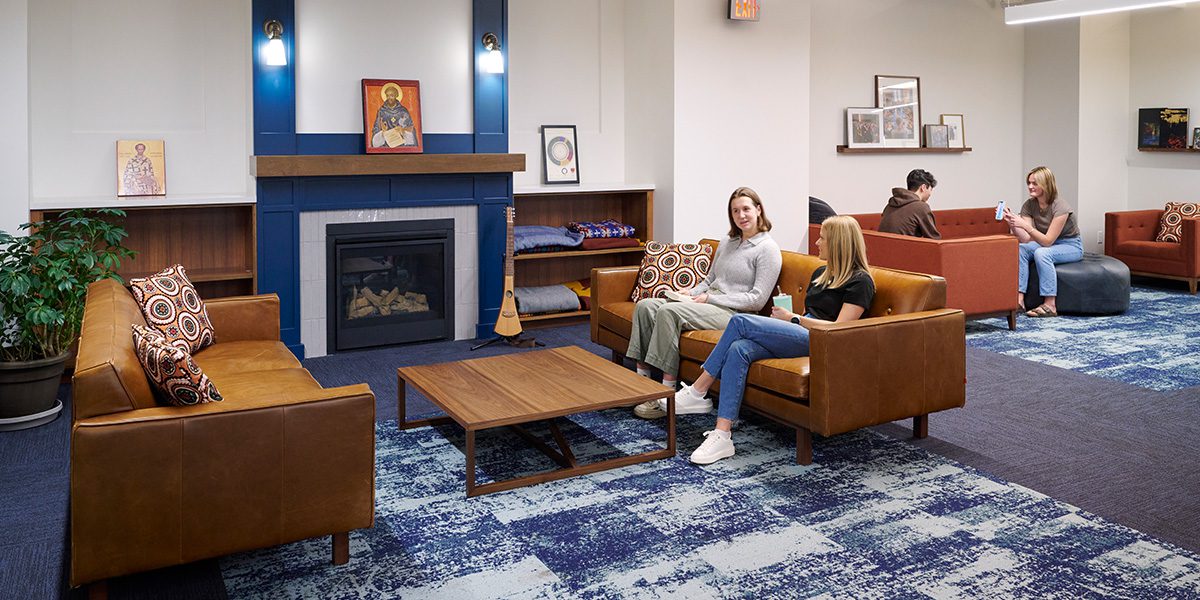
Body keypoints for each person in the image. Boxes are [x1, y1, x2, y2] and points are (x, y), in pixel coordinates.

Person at [666, 215, 875, 464]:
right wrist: (788, 316)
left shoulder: (861, 281)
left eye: (823, 238)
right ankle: (722, 435)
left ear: (839, 243)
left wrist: (795, 319)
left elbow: (841, 329)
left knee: (740, 321)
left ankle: (699, 390)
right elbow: (812, 312)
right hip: (802, 330)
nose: (817, 243)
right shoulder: (821, 273)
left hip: (823, 341)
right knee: (739, 348)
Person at [630, 187, 783, 419]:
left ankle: (665, 395)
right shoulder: (728, 242)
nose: (741, 215)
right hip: (707, 302)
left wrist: (711, 298)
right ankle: (642, 385)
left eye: (746, 209)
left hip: (732, 313)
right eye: (735, 211)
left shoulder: (767, 249)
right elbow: (710, 280)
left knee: (670, 312)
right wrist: (689, 292)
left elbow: (757, 299)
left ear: (759, 210)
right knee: (646, 306)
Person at [1002, 166, 1083, 318]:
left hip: (1070, 245)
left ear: (1046, 184)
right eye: (1029, 183)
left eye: (1035, 183)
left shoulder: (1061, 207)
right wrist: (1012, 223)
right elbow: (1027, 239)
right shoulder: (1029, 205)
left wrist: (1025, 225)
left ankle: (1050, 305)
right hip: (1045, 242)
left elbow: (1047, 241)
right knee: (1021, 249)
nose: (1030, 186)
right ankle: (1019, 300)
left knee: (1042, 253)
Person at [879, 169, 940, 239]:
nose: (930, 194)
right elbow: (934, 239)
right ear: (923, 187)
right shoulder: (921, 207)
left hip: (882, 248)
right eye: (930, 189)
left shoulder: (890, 204)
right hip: (904, 248)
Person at [371, 83, 417, 148]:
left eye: (392, 95)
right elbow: (376, 129)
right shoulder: (382, 111)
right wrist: (382, 131)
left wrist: (403, 130)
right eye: (387, 96)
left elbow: (411, 128)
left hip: (402, 144)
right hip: (386, 144)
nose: (389, 98)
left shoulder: (403, 111)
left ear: (396, 96)